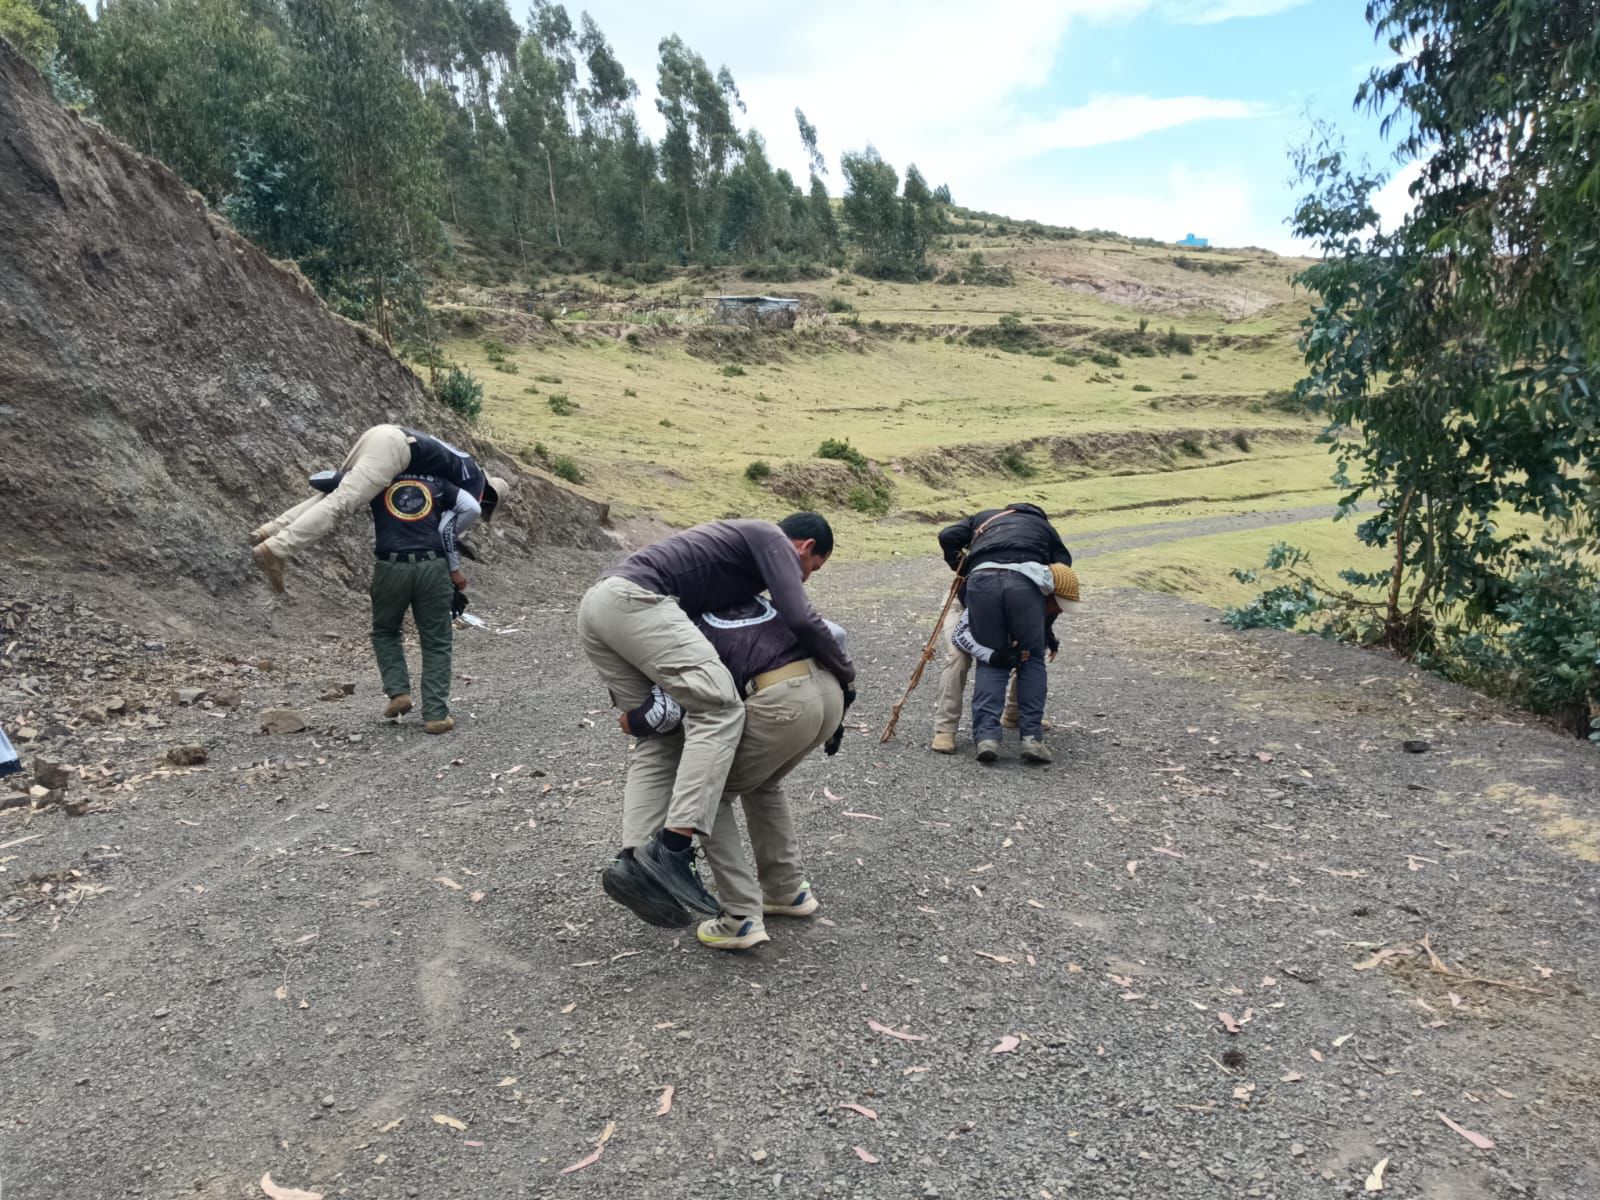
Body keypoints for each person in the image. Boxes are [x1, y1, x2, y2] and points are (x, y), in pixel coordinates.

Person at [577, 514, 854, 920]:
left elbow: (663, 714)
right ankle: (673, 851)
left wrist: (636, 721)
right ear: (805, 546)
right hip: (636, 600)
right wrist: (847, 679)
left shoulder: (715, 584)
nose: (807, 578)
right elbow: (802, 618)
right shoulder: (769, 536)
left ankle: (635, 866)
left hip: (604, 605)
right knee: (720, 707)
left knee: (661, 740)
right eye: (813, 567)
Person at [604, 604, 852, 951]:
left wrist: (631, 721)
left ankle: (740, 917)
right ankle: (786, 890)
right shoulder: (753, 600)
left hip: (779, 702)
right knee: (763, 784)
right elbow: (836, 633)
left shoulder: (681, 625)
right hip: (827, 693)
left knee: (709, 796)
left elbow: (668, 711)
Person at [250, 424, 505, 592]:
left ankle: (271, 530)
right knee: (342, 504)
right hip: (396, 450)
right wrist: (450, 567)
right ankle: (276, 549)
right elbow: (444, 529)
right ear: (490, 498)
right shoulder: (474, 486)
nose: (482, 514)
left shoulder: (463, 464)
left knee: (336, 492)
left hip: (384, 434)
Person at [938, 504, 1073, 763]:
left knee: (993, 658)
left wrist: (963, 566)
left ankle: (987, 738)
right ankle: (1031, 739)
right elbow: (1063, 570)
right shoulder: (1044, 527)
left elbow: (947, 536)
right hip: (1024, 587)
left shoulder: (984, 517)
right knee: (1032, 657)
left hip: (980, 582)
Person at [356, 469, 479, 734]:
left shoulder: (378, 479)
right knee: (436, 641)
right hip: (432, 567)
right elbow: (471, 508)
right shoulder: (438, 482)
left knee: (386, 631)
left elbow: (325, 480)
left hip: (390, 567)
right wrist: (446, 529)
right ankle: (435, 714)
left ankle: (398, 691)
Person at [929, 596, 1020, 754]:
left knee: (1022, 650)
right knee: (958, 656)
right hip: (963, 602)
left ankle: (1015, 712)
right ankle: (945, 728)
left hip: (1003, 605)